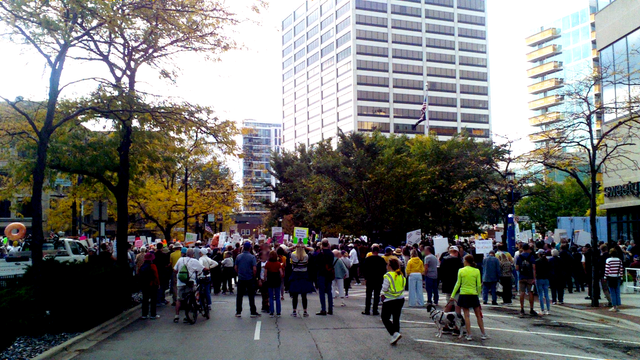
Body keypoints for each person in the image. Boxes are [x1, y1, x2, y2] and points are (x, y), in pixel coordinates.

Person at [450, 254, 488, 341]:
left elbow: (458, 284)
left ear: (466, 261)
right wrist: (478, 294)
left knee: (466, 315)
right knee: (478, 315)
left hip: (464, 294)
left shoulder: (461, 271)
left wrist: (453, 295)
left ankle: (469, 334)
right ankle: (483, 333)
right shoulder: (476, 271)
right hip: (473, 294)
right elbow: (478, 285)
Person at [173, 248, 204, 323]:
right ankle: (188, 315)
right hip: (190, 282)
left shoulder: (180, 259)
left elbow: (174, 269)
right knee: (190, 298)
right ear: (192, 254)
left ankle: (176, 316)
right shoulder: (194, 261)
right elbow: (202, 269)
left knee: (179, 299)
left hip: (180, 282)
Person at [381, 258, 406, 345]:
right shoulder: (401, 275)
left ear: (390, 266)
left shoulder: (388, 275)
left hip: (389, 299)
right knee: (396, 318)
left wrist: (382, 294)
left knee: (385, 318)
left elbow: (385, 288)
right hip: (400, 298)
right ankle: (395, 335)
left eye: (387, 264)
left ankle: (394, 333)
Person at [235, 242, 261, 318]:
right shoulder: (252, 257)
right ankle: (252, 311)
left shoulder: (238, 257)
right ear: (250, 248)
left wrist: (239, 273)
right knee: (251, 295)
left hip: (241, 278)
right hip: (249, 278)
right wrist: (254, 276)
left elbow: (236, 267)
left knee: (239, 295)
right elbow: (254, 269)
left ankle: (238, 311)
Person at [289, 243, 315, 317]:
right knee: (304, 295)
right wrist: (305, 247)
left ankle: (294, 311)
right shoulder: (306, 256)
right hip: (304, 276)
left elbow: (286, 250)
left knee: (295, 295)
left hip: (295, 275)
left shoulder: (293, 256)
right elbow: (312, 250)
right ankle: (305, 311)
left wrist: (294, 246)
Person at [362, 244, 388, 316]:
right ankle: (375, 310)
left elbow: (364, 270)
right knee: (377, 295)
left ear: (372, 251)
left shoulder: (368, 259)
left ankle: (367, 310)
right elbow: (384, 270)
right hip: (378, 279)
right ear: (378, 251)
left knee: (368, 295)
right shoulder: (382, 260)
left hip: (370, 279)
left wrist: (365, 278)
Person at [441, 246, 463, 314]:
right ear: (456, 252)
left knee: (449, 302)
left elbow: (441, 272)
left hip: (447, 284)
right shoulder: (459, 261)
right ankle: (458, 319)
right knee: (457, 304)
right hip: (457, 284)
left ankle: (445, 319)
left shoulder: (444, 260)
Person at [516, 243, 537, 316]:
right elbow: (534, 268)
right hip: (530, 277)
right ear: (528, 248)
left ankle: (522, 309)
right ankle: (531, 309)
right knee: (530, 292)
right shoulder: (531, 257)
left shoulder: (519, 257)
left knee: (522, 292)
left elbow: (517, 268)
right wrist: (534, 278)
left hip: (522, 277)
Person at [316, 239, 335, 316]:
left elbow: (317, 264)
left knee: (322, 292)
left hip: (321, 273)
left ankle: (323, 309)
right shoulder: (331, 254)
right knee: (329, 292)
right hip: (329, 273)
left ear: (322, 245)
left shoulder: (320, 254)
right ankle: (330, 309)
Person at [139, 252, 160, 320]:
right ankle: (153, 314)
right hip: (152, 284)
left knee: (145, 299)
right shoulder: (153, 266)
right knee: (153, 299)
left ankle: (144, 314)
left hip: (144, 284)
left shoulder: (142, 266)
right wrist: (158, 283)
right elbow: (156, 276)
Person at [265, 250, 284, 317]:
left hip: (270, 280)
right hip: (276, 280)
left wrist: (265, 279)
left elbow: (265, 273)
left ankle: (271, 312)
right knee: (277, 297)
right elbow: (281, 273)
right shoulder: (278, 264)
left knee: (270, 297)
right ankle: (278, 312)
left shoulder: (267, 264)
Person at [535, 249, 551, 315]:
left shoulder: (537, 261)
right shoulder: (547, 261)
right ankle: (548, 309)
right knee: (546, 294)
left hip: (539, 278)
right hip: (546, 278)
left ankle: (542, 309)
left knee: (540, 294)